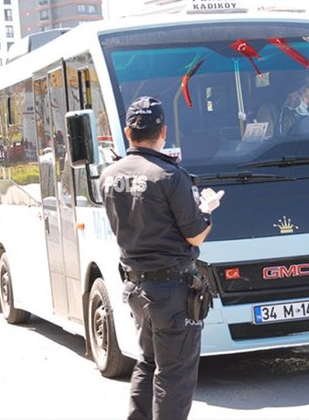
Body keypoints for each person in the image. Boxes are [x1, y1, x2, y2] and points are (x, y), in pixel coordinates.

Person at [99, 96, 223, 420]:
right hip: (172, 292)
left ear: (128, 132)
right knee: (175, 375)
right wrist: (206, 211)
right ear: (163, 131)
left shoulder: (109, 176)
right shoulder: (169, 175)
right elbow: (195, 234)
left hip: (137, 288)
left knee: (148, 362)